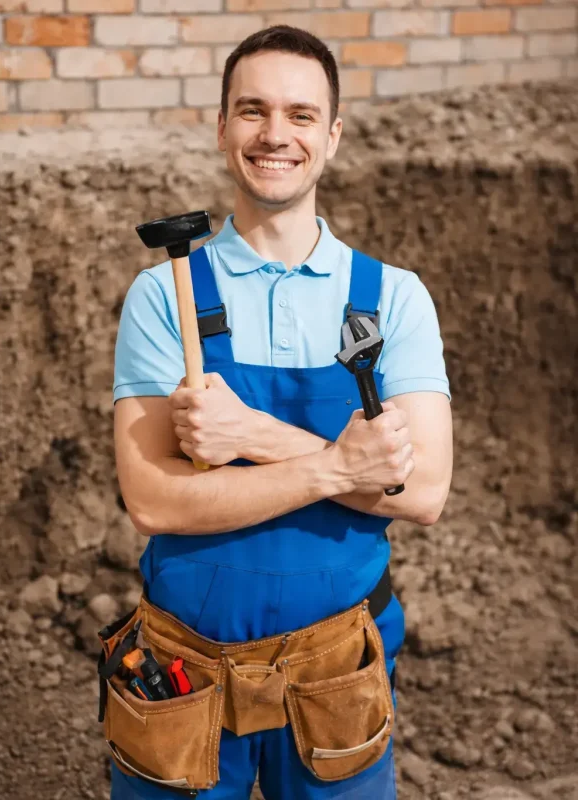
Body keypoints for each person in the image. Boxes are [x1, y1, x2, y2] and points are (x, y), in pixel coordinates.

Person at [111, 24, 452, 800]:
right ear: (222, 127)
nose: (275, 134)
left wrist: (254, 435)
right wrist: (338, 468)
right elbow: (154, 501)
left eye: (301, 115)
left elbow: (424, 492)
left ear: (332, 136)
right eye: (252, 110)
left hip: (340, 673)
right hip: (184, 671)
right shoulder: (166, 295)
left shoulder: (394, 297)